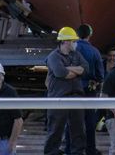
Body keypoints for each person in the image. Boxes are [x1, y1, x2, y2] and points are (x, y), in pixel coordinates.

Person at [45, 27, 87, 155]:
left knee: (79, 131)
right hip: (58, 99)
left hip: (76, 98)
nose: (75, 43)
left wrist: (69, 69)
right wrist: (76, 70)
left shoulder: (76, 54)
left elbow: (85, 69)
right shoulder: (53, 56)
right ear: (66, 41)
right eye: (73, 40)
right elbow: (60, 72)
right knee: (55, 131)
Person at [75, 25, 106, 155]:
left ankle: (73, 149)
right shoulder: (94, 51)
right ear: (90, 35)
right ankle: (90, 149)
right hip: (89, 88)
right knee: (90, 120)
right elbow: (100, 74)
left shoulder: (71, 49)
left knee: (73, 119)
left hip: (73, 88)